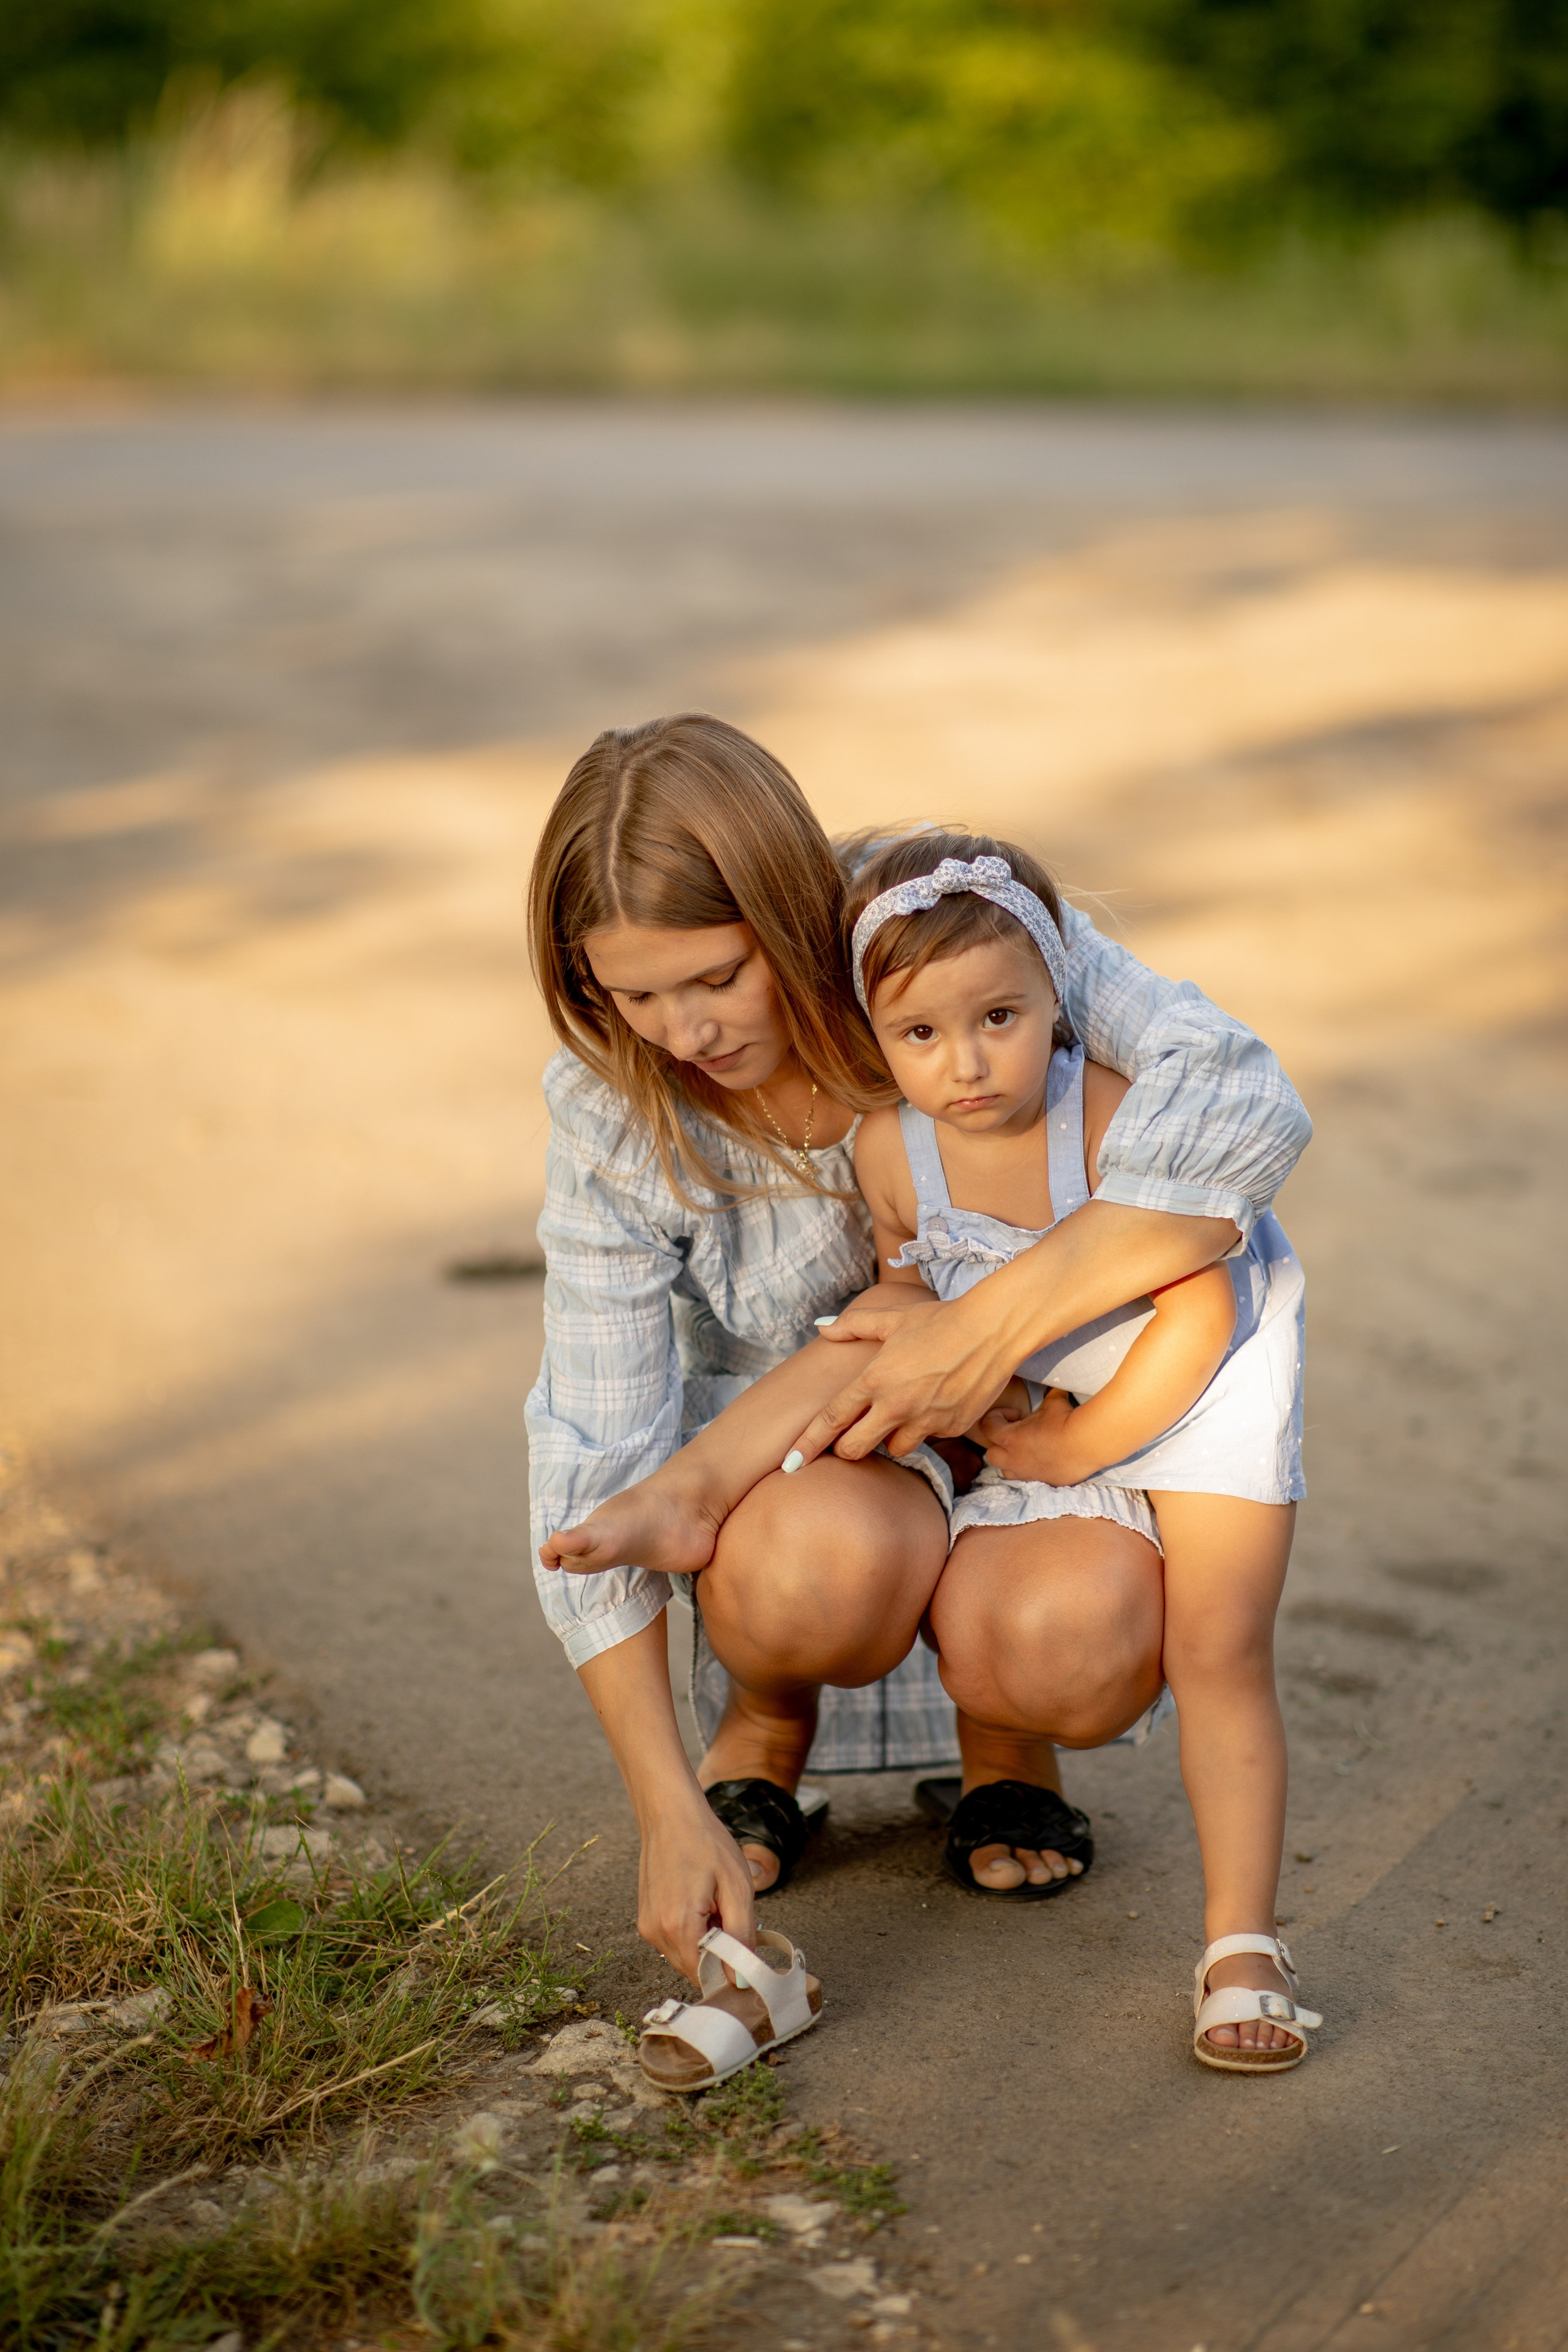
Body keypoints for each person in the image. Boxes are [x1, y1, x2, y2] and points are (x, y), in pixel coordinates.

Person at [524, 713, 1310, 2007]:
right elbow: (589, 1444)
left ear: (788, 914)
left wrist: (984, 1328)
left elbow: (1238, 1100)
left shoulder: (926, 921)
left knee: (1068, 1641)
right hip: (826, 1459)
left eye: (717, 976)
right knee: (794, 1563)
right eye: (635, 992)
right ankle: (762, 1729)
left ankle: (1003, 1738)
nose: (685, 1030)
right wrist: (661, 1809)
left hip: (1037, 1408)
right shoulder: (616, 1108)